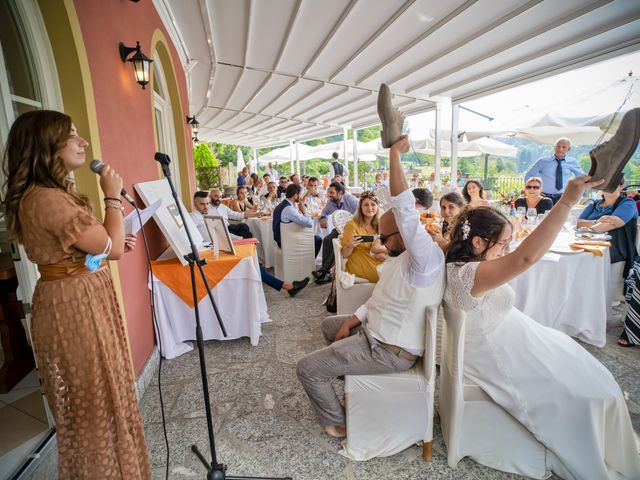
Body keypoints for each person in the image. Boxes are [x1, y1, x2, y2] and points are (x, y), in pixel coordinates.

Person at [444, 175, 640, 479]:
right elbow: (525, 257)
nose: (507, 249)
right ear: (478, 242)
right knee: (589, 395)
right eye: (503, 243)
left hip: (516, 335)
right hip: (498, 352)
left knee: (594, 377)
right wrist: (567, 201)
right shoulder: (471, 273)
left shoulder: (464, 264)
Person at [2, 110, 151, 478]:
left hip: (78, 295)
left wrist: (108, 243)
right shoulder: (47, 199)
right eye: (71, 136)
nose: (82, 141)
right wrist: (112, 198)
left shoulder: (47, 195)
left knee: (102, 394)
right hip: (74, 307)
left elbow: (98, 248)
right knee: (95, 401)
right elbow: (109, 247)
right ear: (46, 147)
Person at [296, 135, 445, 438]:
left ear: (405, 235)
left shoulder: (424, 259)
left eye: (385, 238)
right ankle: (350, 374)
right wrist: (352, 320)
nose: (380, 243)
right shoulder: (403, 258)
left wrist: (395, 155)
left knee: (307, 368)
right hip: (377, 331)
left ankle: (341, 422)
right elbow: (381, 298)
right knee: (329, 326)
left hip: (388, 349)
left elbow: (404, 209)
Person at [191, 192, 308, 297]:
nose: (206, 207)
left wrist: (241, 239)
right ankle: (288, 286)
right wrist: (240, 239)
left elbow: (221, 233)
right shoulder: (193, 218)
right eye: (202, 204)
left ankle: (287, 286)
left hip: (221, 247)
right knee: (252, 262)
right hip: (212, 253)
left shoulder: (205, 215)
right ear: (195, 204)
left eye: (207, 203)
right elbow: (198, 240)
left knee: (253, 260)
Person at [578, 177, 638, 325]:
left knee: (577, 259)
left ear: (621, 185)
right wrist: (600, 221)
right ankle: (578, 305)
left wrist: (589, 228)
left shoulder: (627, 203)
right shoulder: (595, 203)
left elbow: (615, 223)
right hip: (588, 244)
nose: (608, 186)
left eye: (614, 182)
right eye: (605, 182)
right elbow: (578, 223)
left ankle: (587, 310)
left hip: (614, 249)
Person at [312, 182, 359, 284]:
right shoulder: (331, 202)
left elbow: (362, 210)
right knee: (327, 239)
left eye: (332, 192)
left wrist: (353, 223)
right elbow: (324, 212)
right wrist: (323, 218)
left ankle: (323, 272)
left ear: (340, 193)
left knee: (337, 244)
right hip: (340, 229)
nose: (329, 195)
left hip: (355, 230)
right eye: (328, 192)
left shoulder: (350, 199)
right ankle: (326, 273)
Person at [340, 191, 388, 282]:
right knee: (387, 277)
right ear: (360, 207)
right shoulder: (352, 225)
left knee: (396, 272)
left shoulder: (379, 224)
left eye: (373, 204)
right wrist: (350, 245)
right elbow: (344, 254)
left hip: (375, 258)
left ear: (377, 207)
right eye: (366, 205)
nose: (370, 208)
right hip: (359, 261)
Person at [525, 137, 584, 205]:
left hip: (563, 197)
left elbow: (581, 177)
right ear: (554, 147)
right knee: (543, 215)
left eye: (563, 147)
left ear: (569, 149)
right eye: (558, 146)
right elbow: (529, 175)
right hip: (544, 196)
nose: (560, 149)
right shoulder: (543, 161)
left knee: (561, 216)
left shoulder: (572, 162)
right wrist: (531, 190)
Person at [272, 184, 322, 256]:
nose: (300, 196)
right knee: (317, 239)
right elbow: (310, 224)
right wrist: (304, 211)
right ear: (295, 195)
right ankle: (307, 261)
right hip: (286, 241)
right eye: (300, 194)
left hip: (282, 238)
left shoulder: (281, 205)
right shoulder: (288, 209)